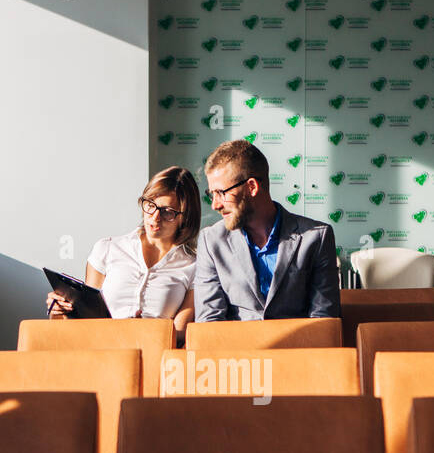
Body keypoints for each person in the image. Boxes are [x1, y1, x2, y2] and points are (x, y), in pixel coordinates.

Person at [46, 166, 201, 341]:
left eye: (167, 212)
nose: (155, 217)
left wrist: (146, 330)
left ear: (185, 217)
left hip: (155, 355)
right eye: (150, 205)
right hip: (105, 350)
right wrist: (62, 309)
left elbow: (180, 334)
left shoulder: (194, 266)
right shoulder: (107, 249)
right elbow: (88, 320)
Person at [194, 140, 340, 322]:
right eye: (212, 194)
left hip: (299, 348)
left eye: (221, 193)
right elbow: (209, 323)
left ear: (252, 187)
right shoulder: (211, 241)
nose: (215, 204)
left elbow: (323, 321)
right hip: (234, 350)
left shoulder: (316, 237)